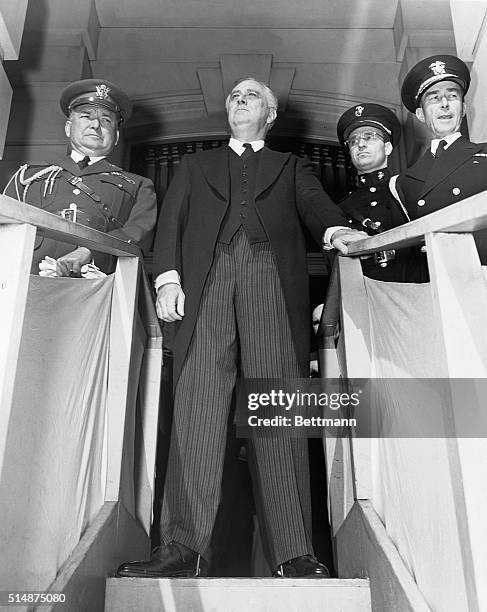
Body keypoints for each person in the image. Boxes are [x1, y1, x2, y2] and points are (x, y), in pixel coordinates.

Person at [117, 77, 366, 579]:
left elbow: (319, 209)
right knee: (197, 409)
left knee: (278, 408)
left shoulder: (291, 166)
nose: (239, 101)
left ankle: (294, 552)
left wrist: (338, 230)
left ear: (269, 115)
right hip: (206, 282)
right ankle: (182, 548)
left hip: (271, 279)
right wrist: (167, 278)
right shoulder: (195, 164)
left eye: (250, 96)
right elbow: (171, 225)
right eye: (233, 96)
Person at [3, 78, 157, 276]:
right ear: (68, 128)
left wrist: (89, 251)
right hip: (25, 278)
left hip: (96, 284)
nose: (95, 125)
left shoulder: (138, 186)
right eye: (86, 116)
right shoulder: (28, 176)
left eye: (106, 120)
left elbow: (139, 232)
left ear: (116, 136)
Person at [394, 54, 487, 281]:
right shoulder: (405, 182)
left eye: (452, 96)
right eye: (434, 99)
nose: (444, 104)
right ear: (420, 114)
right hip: (439, 281)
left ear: (463, 108)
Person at [336, 103, 411, 281]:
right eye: (353, 141)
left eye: (370, 137)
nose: (360, 144)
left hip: (410, 285)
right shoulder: (341, 207)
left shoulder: (406, 189)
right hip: (362, 291)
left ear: (387, 148)